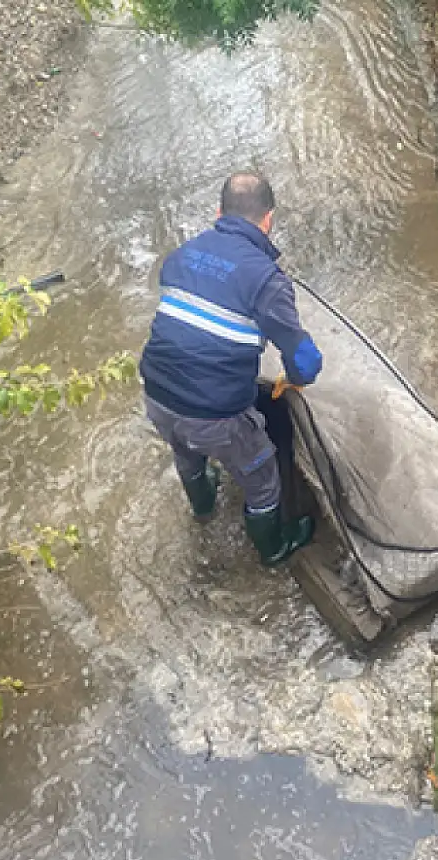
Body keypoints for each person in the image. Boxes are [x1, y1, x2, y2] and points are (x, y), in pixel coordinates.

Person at [139, 173, 323, 567]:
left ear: (219, 212)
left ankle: (203, 506)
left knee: (186, 451)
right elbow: (306, 359)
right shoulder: (266, 280)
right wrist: (295, 377)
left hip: (156, 393)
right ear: (268, 219)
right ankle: (275, 548)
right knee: (262, 477)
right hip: (214, 414)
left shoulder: (181, 256)